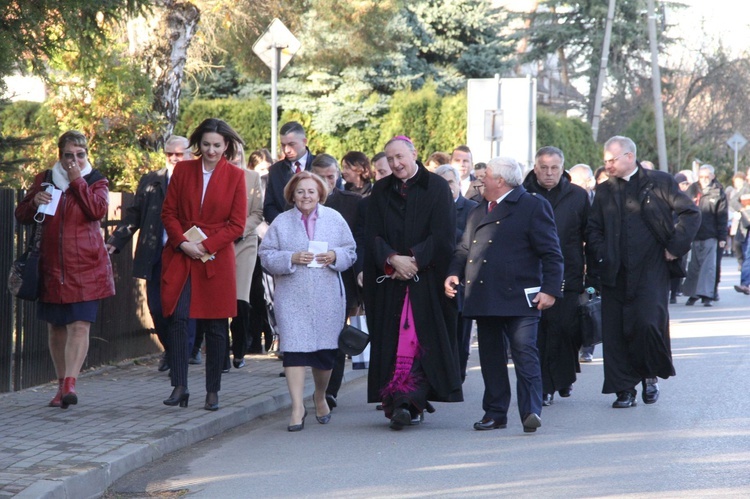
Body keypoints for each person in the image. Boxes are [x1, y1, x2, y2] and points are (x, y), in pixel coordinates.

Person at [446, 156, 563, 433]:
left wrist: (550, 290)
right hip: (484, 296)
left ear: (500, 180)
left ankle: (531, 411)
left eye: (485, 175)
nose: (480, 179)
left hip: (521, 296)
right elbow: (464, 249)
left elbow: (552, 253)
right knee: (491, 357)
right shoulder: (479, 210)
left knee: (524, 353)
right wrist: (453, 272)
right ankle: (495, 412)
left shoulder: (532, 205)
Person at [586, 135, 700, 408]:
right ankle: (624, 389)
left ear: (629, 156)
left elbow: (690, 213)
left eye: (612, 160)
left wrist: (675, 246)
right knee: (616, 331)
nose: (608, 165)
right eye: (605, 161)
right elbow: (593, 229)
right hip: (616, 271)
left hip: (652, 268)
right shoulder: (604, 192)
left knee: (648, 323)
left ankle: (649, 377)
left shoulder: (659, 182)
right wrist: (602, 253)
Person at [363, 136, 463, 431]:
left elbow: (444, 235)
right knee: (393, 342)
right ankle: (398, 402)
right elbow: (372, 235)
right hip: (390, 280)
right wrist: (393, 259)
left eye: (399, 157)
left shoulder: (436, 187)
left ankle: (408, 401)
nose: (395, 164)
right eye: (390, 159)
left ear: (414, 154)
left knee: (419, 342)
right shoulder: (381, 190)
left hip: (427, 281)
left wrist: (414, 260)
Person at [15, 130, 115, 408]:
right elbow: (22, 216)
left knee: (80, 325)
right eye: (69, 155)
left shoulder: (96, 180)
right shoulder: (45, 180)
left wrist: (76, 181)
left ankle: (71, 384)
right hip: (51, 265)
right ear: (60, 155)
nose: (75, 160)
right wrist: (33, 202)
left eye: (80, 155)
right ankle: (60, 386)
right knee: (56, 328)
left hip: (86, 266)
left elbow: (97, 210)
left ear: (87, 154)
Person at [160, 118, 247, 411]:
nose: (211, 151)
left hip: (216, 258)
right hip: (183, 254)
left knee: (216, 326)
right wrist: (184, 243)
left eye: (217, 146)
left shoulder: (235, 176)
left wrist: (206, 246)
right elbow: (168, 212)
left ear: (226, 146)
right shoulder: (183, 170)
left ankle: (213, 391)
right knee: (179, 317)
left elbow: (237, 225)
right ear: (199, 144)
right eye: (207, 145)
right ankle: (180, 385)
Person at [258, 171, 356, 431]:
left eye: (311, 191)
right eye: (300, 191)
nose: (306, 196)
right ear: (292, 194)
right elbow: (266, 255)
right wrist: (290, 258)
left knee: (325, 355)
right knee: (294, 352)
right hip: (292, 297)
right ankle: (297, 407)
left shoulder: (334, 219)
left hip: (327, 297)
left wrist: (335, 255)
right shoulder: (281, 222)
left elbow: (350, 251)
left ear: (320, 193)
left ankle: (320, 395)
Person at [107, 136, 195, 373]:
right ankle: (171, 349)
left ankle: (181, 355)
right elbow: (134, 215)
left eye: (179, 154)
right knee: (157, 308)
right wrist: (115, 242)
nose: (174, 158)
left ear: (190, 155)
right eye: (170, 154)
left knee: (184, 310)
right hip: (156, 254)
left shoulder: (197, 180)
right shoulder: (151, 180)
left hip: (187, 255)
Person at [522, 147, 589, 406]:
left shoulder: (578, 196)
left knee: (564, 329)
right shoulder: (524, 194)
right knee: (540, 331)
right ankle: (546, 384)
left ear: (563, 169)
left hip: (569, 271)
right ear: (535, 167)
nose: (549, 173)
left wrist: (590, 273)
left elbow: (588, 235)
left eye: (554, 168)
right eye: (544, 167)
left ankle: (564, 377)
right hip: (531, 272)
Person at [310, 154, 363, 409]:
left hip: (342, 280)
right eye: (320, 177)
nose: (326, 183)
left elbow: (359, 243)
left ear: (338, 177)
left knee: (336, 335)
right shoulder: (300, 202)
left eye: (331, 177)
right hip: (308, 281)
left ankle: (330, 391)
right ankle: (315, 385)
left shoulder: (353, 203)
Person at [434, 164, 478, 382]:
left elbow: (470, 242)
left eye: (450, 182)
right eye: (441, 183)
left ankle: (457, 375)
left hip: (461, 278)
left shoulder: (472, 208)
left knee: (461, 331)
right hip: (434, 276)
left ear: (458, 184)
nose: (446, 187)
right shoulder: (429, 208)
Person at [227, 143, 264, 368]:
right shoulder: (214, 177)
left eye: (238, 155)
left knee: (240, 300)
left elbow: (257, 213)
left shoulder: (252, 177)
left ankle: (240, 349)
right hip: (217, 243)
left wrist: (237, 231)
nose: (234, 159)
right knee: (218, 301)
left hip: (244, 242)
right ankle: (220, 355)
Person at [683, 165, 727, 306]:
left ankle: (707, 295)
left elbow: (722, 216)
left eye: (707, 177)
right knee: (694, 266)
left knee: (708, 266)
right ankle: (693, 294)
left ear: (712, 176)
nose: (704, 180)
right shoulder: (693, 189)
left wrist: (722, 237)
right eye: (701, 177)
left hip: (711, 234)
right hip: (694, 234)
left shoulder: (718, 191)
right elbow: (685, 210)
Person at [263, 121, 315, 224]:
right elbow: (269, 207)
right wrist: (285, 224)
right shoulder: (275, 170)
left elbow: (334, 199)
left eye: (291, 144)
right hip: (285, 231)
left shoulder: (320, 166)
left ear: (304, 142)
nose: (286, 150)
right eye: (283, 145)